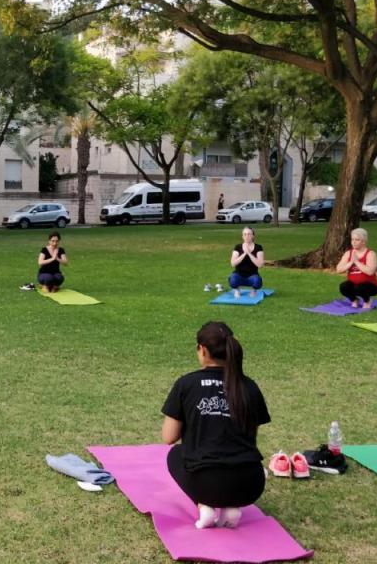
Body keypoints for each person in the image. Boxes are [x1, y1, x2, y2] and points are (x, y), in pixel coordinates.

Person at [162, 321, 270, 530]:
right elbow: (250, 435)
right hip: (251, 484)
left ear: (202, 350)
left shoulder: (186, 384)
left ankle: (205, 506)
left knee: (175, 454)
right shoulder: (249, 386)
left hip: (207, 485)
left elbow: (168, 437)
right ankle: (231, 506)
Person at [335, 228, 377, 309]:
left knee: (360, 287)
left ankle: (367, 301)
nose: (353, 242)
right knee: (343, 287)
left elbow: (370, 272)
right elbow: (338, 269)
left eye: (357, 240)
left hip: (370, 286)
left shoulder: (370, 254)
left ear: (364, 241)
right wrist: (351, 262)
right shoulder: (348, 253)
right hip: (354, 285)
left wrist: (357, 262)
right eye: (352, 239)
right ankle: (354, 300)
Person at [228, 227, 264, 298]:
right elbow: (233, 264)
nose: (247, 236)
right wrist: (244, 253)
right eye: (244, 234)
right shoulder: (238, 247)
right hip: (239, 275)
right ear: (242, 236)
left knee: (258, 281)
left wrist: (249, 253)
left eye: (249, 234)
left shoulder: (258, 247)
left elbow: (260, 265)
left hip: (252, 276)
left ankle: (253, 290)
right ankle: (237, 290)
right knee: (232, 279)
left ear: (253, 236)